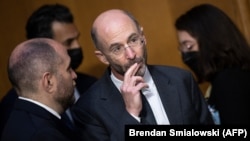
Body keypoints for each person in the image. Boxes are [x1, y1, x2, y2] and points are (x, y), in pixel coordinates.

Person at [71, 9, 214, 141]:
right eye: (117, 48)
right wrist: (131, 114)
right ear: (102, 57)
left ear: (143, 37)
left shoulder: (181, 80)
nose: (131, 54)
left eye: (133, 40)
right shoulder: (88, 109)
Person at [0, 3, 97, 136]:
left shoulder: (92, 85)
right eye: (68, 42)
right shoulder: (14, 109)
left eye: (77, 39)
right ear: (43, 47)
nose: (77, 46)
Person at [175, 4, 250, 124]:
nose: (184, 54)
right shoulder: (223, 80)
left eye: (189, 45)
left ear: (211, 41)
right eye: (182, 47)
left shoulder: (230, 81)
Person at [1, 38, 79, 140]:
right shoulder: (45, 135)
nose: (74, 75)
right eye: (68, 69)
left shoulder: (20, 118)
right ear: (48, 82)